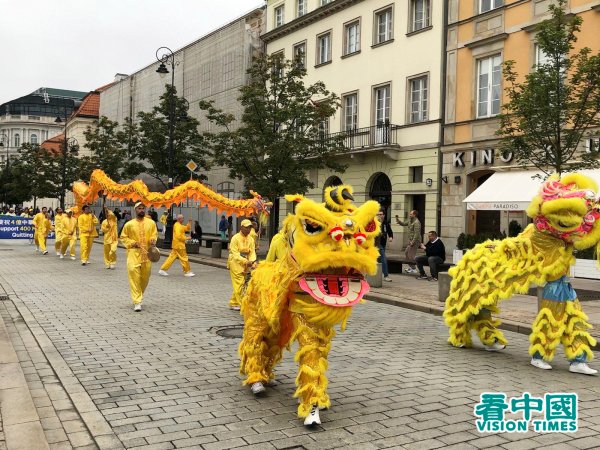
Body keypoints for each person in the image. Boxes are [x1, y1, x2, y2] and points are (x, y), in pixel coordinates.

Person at [120, 202, 158, 312]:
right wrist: (132, 243)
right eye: (139, 208)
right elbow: (123, 237)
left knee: (145, 278)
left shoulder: (151, 223)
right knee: (134, 277)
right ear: (135, 210)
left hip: (147, 254)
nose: (141, 210)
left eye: (143, 208)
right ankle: (137, 301)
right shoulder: (129, 224)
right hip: (133, 254)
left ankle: (139, 295)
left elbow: (154, 234)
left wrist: (153, 240)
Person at [227, 219, 257, 310]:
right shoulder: (235, 238)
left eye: (250, 228)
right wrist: (245, 261)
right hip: (235, 263)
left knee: (240, 283)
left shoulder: (251, 239)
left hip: (245, 264)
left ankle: (233, 302)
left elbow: (252, 252)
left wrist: (252, 261)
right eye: (247, 227)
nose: (248, 230)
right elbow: (235, 254)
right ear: (241, 227)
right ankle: (243, 305)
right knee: (239, 283)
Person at [376, 210, 394, 282]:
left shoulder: (386, 223)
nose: (379, 216)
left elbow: (390, 231)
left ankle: (375, 274)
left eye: (381, 214)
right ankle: (386, 275)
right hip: (376, 244)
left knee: (378, 259)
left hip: (383, 243)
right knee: (383, 258)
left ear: (384, 215)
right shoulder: (375, 223)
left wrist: (390, 237)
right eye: (378, 214)